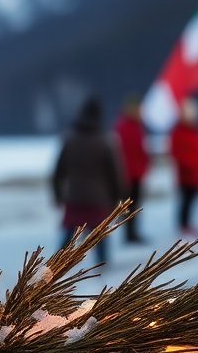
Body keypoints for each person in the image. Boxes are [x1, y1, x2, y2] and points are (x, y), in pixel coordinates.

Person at [52, 97, 124, 264]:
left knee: (68, 238)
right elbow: (115, 175)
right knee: (99, 237)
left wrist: (58, 195)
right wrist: (116, 200)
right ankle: (102, 268)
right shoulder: (105, 141)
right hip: (98, 199)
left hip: (74, 196)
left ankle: (53, 270)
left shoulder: (69, 140)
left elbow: (58, 172)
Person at [169, 99, 198, 236]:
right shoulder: (178, 131)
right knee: (185, 199)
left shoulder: (197, 130)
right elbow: (176, 152)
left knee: (193, 199)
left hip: (197, 172)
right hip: (186, 173)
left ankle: (189, 222)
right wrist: (189, 164)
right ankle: (183, 224)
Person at [113, 97, 150, 242]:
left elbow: (140, 149)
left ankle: (133, 232)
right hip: (126, 173)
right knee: (128, 206)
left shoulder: (137, 127)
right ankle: (129, 234)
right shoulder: (122, 127)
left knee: (135, 205)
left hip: (137, 172)